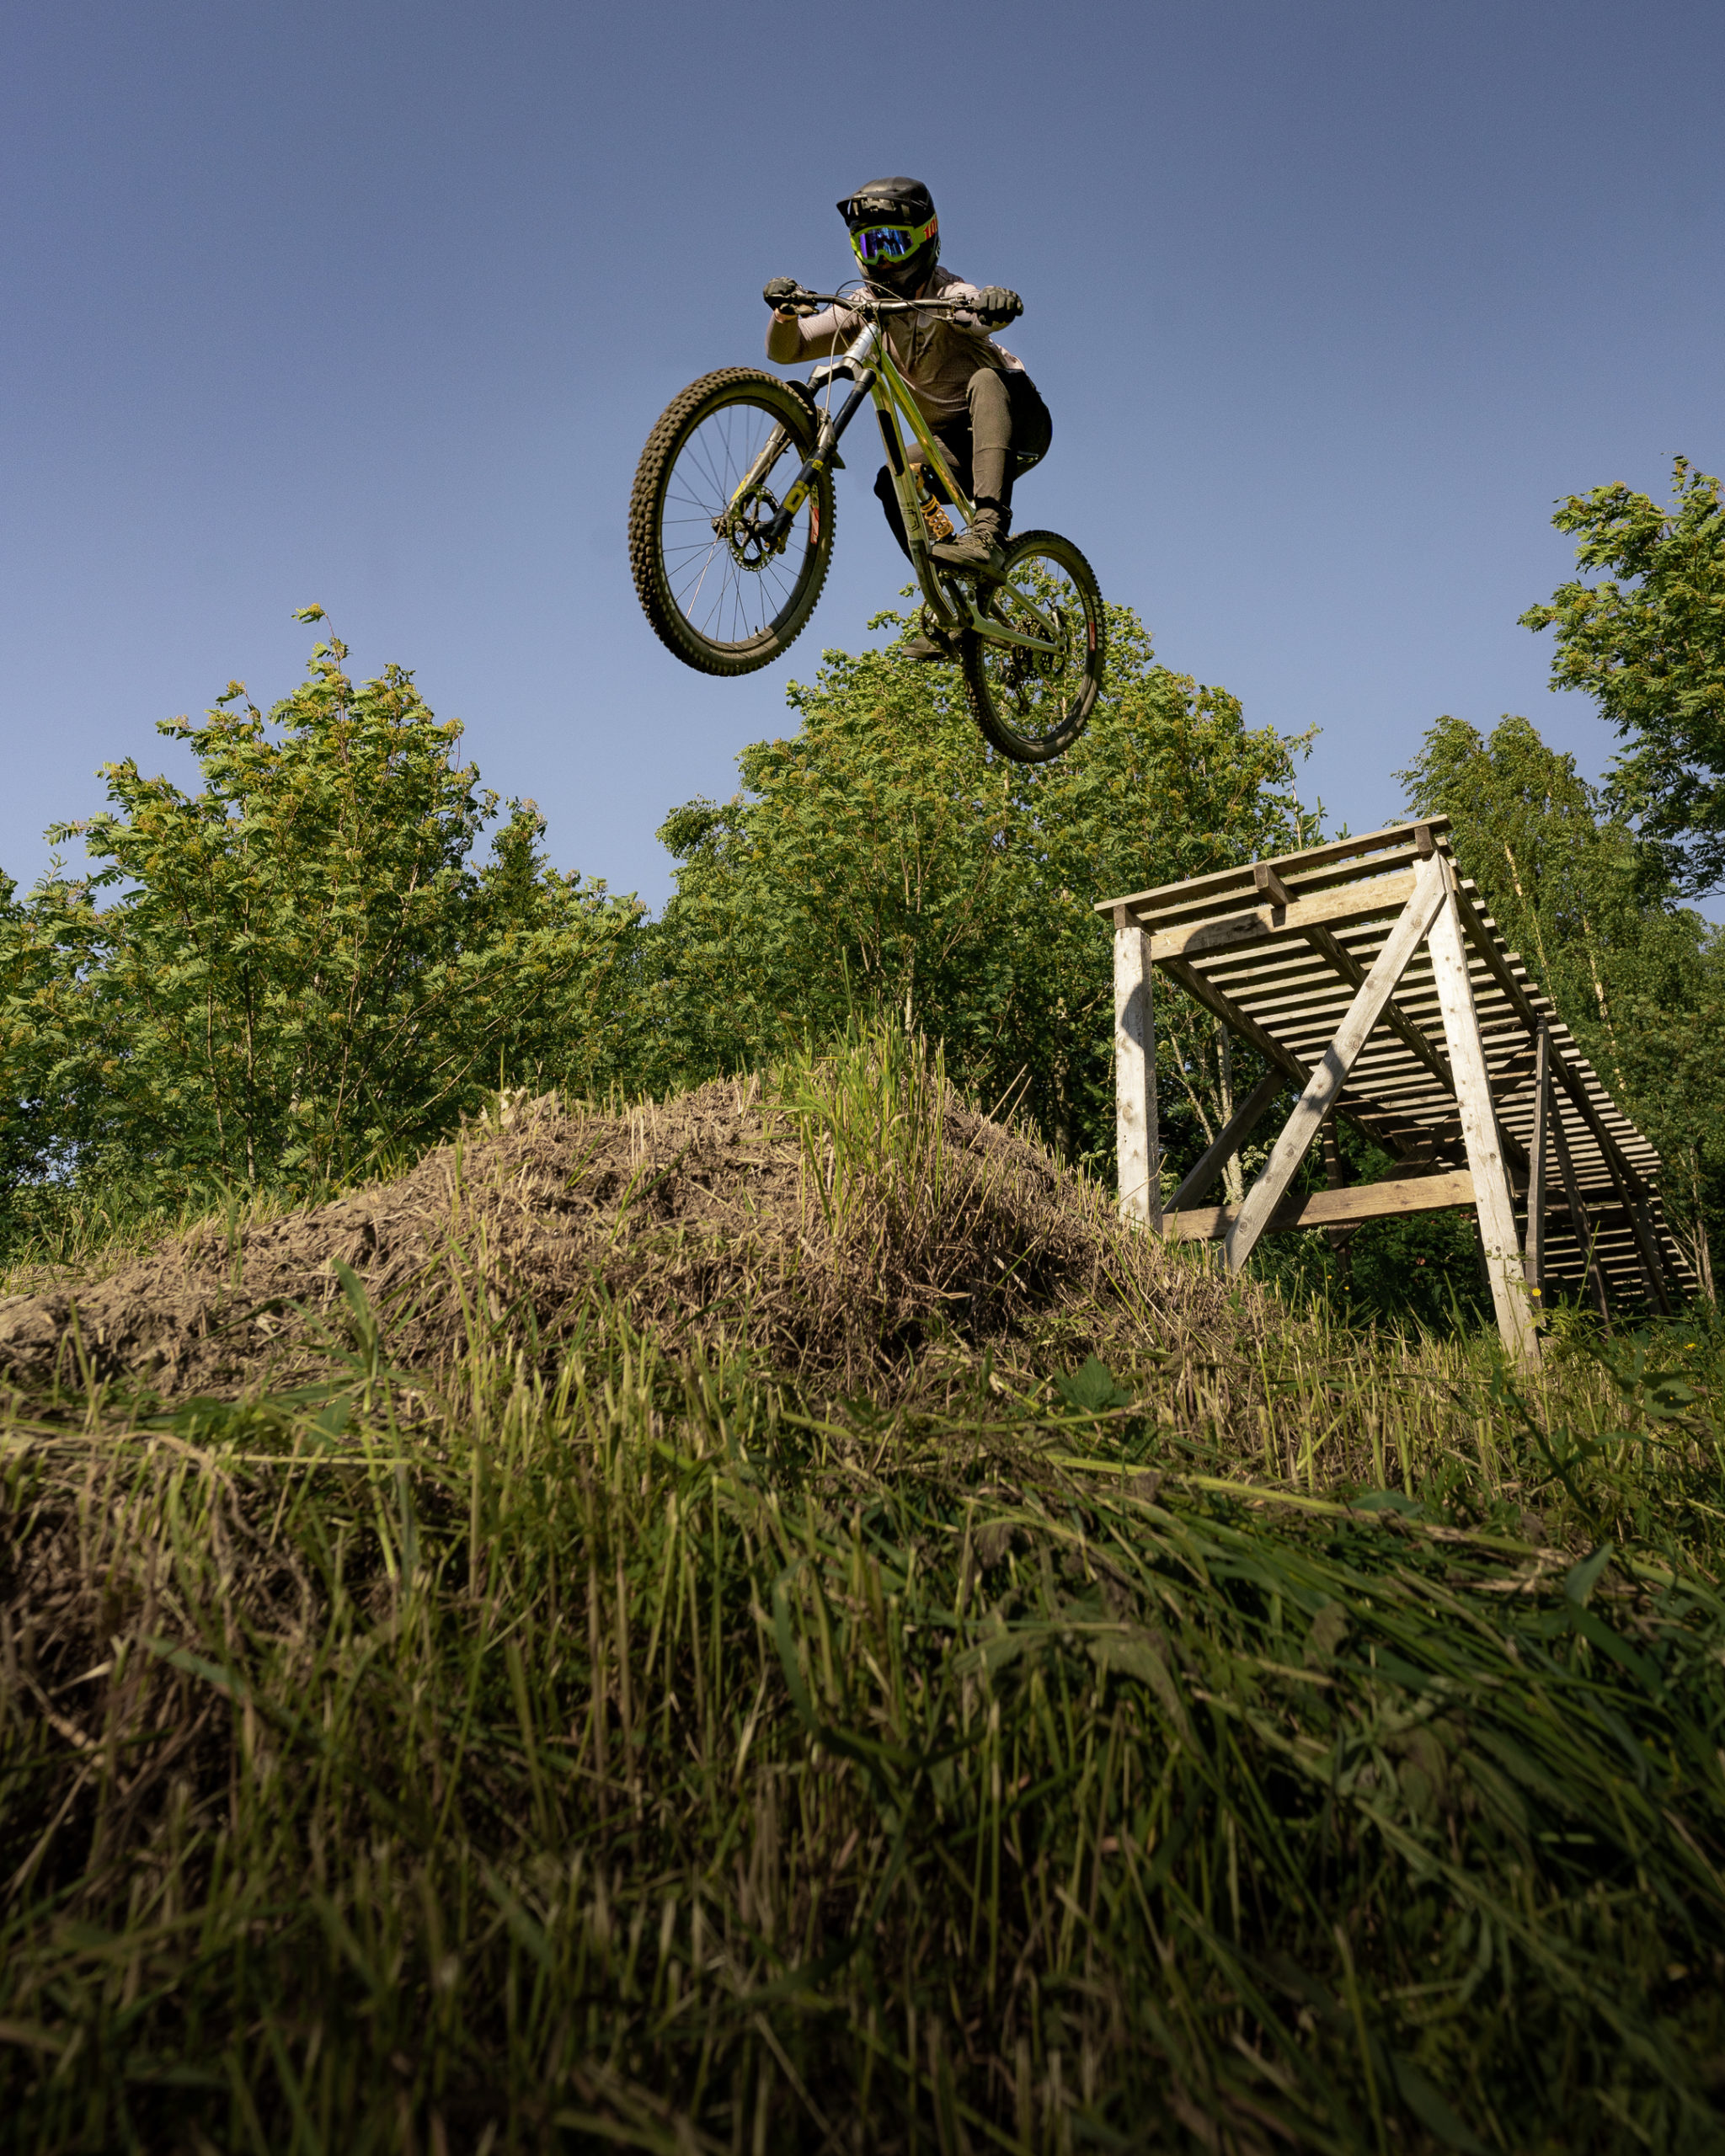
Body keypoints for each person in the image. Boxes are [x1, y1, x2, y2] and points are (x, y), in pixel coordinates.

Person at [762, 176, 1052, 662]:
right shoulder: (868, 307)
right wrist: (786, 316)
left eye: (892, 243)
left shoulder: (950, 292)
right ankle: (952, 609)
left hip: (1016, 422)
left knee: (984, 379)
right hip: (953, 446)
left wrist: (993, 307)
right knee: (894, 482)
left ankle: (989, 530)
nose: (881, 259)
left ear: (925, 239)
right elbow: (785, 352)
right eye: (868, 245)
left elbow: (977, 317)